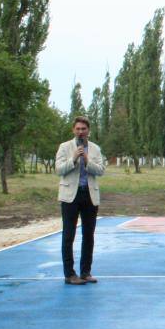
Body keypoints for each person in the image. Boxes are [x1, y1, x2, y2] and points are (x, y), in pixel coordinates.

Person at [56, 116, 107, 285]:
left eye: (83, 129)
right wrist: (73, 159)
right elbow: (59, 170)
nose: (80, 132)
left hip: (89, 196)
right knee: (68, 235)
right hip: (70, 195)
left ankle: (85, 272)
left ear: (88, 131)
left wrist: (86, 159)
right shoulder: (65, 147)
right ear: (73, 130)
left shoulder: (95, 149)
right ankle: (69, 274)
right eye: (78, 129)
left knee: (88, 235)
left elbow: (100, 171)